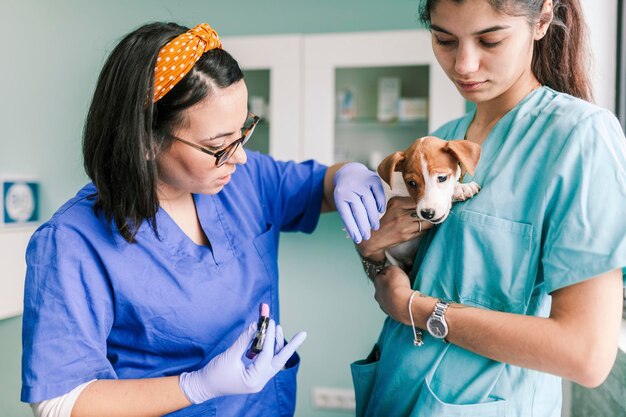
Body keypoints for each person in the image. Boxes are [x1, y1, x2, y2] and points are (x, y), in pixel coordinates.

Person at [20, 22, 385, 417]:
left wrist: (348, 174)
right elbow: (60, 402)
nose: (241, 156)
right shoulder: (73, 242)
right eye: (218, 146)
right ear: (145, 140)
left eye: (243, 132)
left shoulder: (242, 179)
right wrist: (196, 386)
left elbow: (320, 185)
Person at [349, 1, 626, 416]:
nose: (464, 64)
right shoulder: (443, 142)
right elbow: (407, 277)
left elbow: (585, 354)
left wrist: (418, 309)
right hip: (396, 389)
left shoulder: (580, 138)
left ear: (543, 20)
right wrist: (373, 255)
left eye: (490, 39)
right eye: (444, 40)